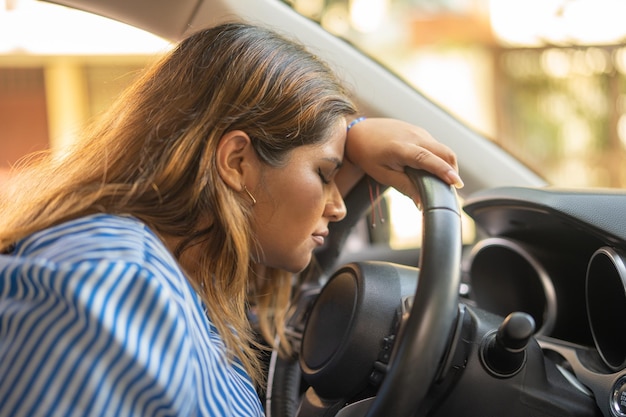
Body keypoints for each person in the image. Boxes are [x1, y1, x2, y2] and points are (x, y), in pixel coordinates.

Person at [0, 22, 462, 416]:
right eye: (324, 174)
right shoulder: (109, 283)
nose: (337, 206)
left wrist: (354, 135)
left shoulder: (184, 286)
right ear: (237, 161)